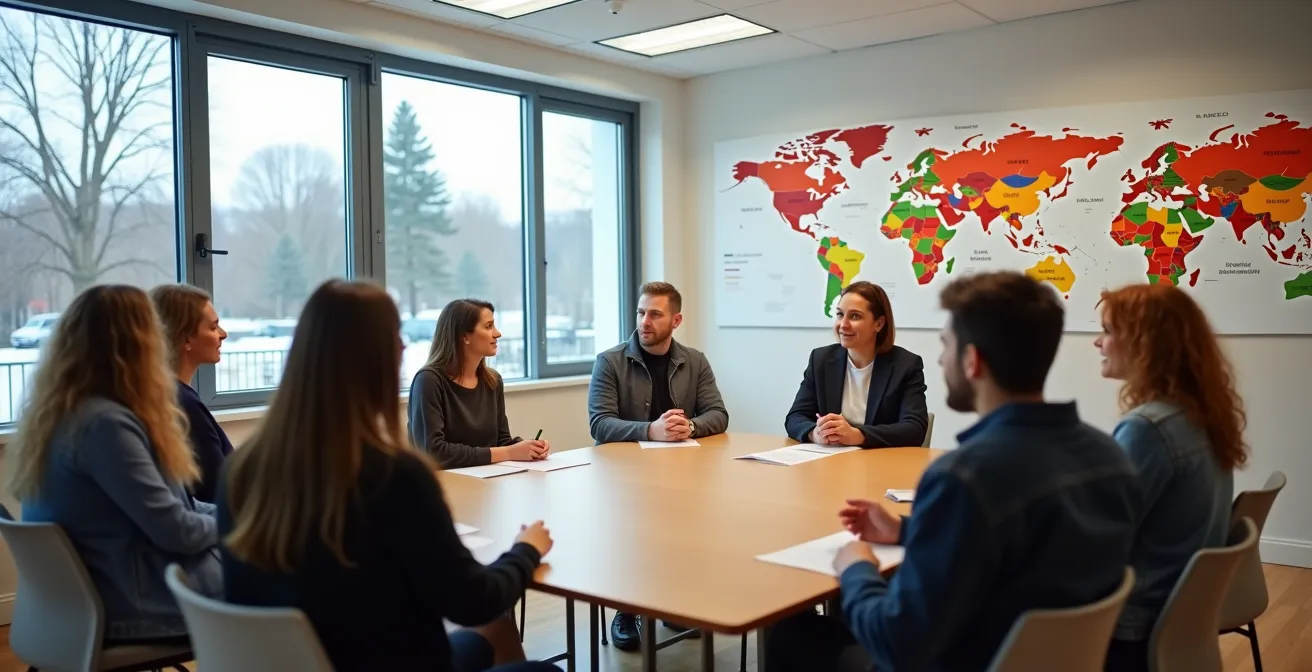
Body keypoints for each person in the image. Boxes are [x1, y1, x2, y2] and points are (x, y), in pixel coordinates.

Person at [767, 271, 1141, 672]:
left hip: (962, 659)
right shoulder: (1111, 456)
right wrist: (907, 530)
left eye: (946, 346)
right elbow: (1002, 539)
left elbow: (898, 641)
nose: (942, 359)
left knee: (789, 630)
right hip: (1053, 659)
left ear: (972, 360)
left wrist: (856, 568)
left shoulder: (963, 478)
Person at [218, 280, 558, 672]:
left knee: (487, 636)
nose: (401, 346)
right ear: (379, 357)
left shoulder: (239, 472)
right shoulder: (394, 478)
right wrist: (526, 550)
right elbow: (473, 600)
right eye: (393, 336)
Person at [7, 285, 220, 643]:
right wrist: (239, 526)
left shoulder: (59, 416)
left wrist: (236, 516)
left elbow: (179, 508)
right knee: (292, 579)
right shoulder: (107, 426)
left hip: (89, 599)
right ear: (138, 344)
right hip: (136, 605)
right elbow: (176, 531)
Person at [1095, 284, 1246, 672]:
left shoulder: (1148, 428)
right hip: (1178, 619)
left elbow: (1098, 536)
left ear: (1145, 343)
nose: (1098, 342)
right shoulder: (1200, 418)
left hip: (1132, 630)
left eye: (1108, 331)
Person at [587, 281, 728, 651]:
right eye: (640, 312)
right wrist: (651, 430)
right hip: (624, 477)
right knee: (634, 535)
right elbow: (599, 423)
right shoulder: (610, 361)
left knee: (683, 533)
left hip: (683, 473)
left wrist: (690, 426)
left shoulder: (694, 360)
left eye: (654, 314)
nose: (644, 321)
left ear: (676, 320)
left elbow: (718, 413)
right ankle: (625, 609)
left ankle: (669, 603)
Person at [785, 281, 929, 447]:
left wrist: (858, 435)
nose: (843, 325)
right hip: (830, 461)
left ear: (879, 323)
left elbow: (915, 428)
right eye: (840, 315)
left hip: (880, 464)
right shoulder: (821, 359)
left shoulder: (906, 365)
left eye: (855, 316)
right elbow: (795, 417)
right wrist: (814, 433)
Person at [408, 299, 548, 469]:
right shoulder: (428, 381)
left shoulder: (493, 381)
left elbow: (501, 441)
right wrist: (510, 452)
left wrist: (528, 448)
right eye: (488, 326)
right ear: (464, 336)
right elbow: (434, 452)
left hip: (488, 483)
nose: (497, 334)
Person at [150, 284, 233, 503]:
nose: (223, 334)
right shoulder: (184, 405)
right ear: (186, 339)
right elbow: (218, 489)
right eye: (214, 328)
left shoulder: (169, 395)